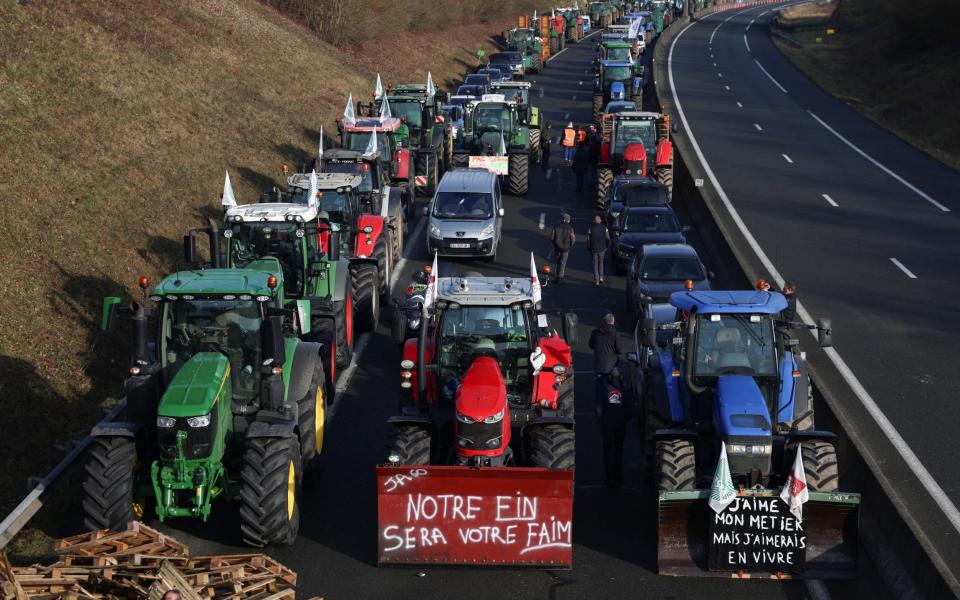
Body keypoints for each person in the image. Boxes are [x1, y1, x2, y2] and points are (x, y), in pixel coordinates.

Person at [599, 366, 632, 486]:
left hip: (608, 424)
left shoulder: (604, 389)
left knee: (608, 451)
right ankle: (618, 475)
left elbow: (599, 408)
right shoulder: (625, 390)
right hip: (620, 424)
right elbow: (629, 409)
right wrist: (625, 419)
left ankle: (609, 476)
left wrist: (601, 421)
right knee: (619, 450)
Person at [589, 313, 622, 408]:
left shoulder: (595, 332)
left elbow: (591, 345)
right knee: (611, 386)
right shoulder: (615, 334)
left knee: (599, 386)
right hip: (611, 366)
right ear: (612, 322)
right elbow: (619, 350)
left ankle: (598, 406)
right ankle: (611, 405)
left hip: (599, 365)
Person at [549, 213, 575, 282]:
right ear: (568, 220)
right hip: (566, 249)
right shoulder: (570, 228)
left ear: (563, 219)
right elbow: (573, 239)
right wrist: (570, 246)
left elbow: (551, 237)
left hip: (557, 248)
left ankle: (555, 277)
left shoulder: (556, 226)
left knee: (557, 262)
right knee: (562, 264)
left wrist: (554, 243)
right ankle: (560, 279)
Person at [587, 214, 610, 285]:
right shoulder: (604, 228)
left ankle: (596, 280)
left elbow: (588, 240)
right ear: (600, 221)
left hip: (593, 249)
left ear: (594, 221)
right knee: (601, 263)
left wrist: (589, 248)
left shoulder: (590, 229)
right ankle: (601, 277)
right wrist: (606, 246)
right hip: (602, 248)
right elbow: (608, 238)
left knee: (595, 264)